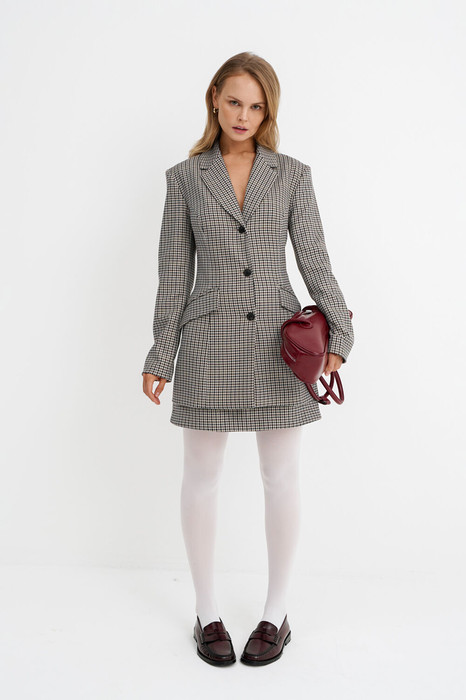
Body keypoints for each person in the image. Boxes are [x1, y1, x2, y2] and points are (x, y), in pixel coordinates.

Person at [142, 51, 354, 667]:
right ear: (215, 97)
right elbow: (173, 277)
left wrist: (340, 332)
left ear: (268, 112)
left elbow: (314, 259)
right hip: (207, 343)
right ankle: (206, 611)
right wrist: (160, 353)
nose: (243, 115)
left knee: (280, 476)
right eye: (234, 101)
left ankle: (276, 613)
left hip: (277, 346)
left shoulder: (292, 175)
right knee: (201, 476)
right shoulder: (185, 178)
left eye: (256, 106)